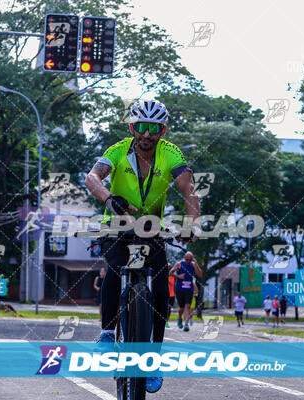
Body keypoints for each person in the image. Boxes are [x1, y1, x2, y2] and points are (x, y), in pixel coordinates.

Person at [84, 99, 200, 393]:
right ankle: (108, 335)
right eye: (141, 127)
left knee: (161, 291)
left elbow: (189, 190)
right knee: (115, 268)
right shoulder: (117, 150)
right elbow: (92, 177)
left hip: (152, 229)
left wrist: (191, 224)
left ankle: (153, 359)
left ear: (162, 130)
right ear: (132, 127)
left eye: (154, 129)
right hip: (118, 224)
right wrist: (109, 198)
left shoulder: (170, 153)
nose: (147, 135)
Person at [170, 252, 202, 332]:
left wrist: (196, 264)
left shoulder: (193, 265)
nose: (188, 261)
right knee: (181, 308)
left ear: (192, 259)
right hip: (179, 289)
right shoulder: (179, 264)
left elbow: (200, 275)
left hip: (189, 289)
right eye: (187, 259)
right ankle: (180, 317)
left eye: (190, 259)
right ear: (184, 258)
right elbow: (170, 272)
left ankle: (186, 324)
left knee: (188, 306)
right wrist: (178, 276)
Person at [167, 263, 175, 328]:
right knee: (165, 308)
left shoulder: (174, 277)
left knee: (169, 309)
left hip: (172, 295)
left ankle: (167, 321)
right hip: (165, 295)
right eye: (168, 268)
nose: (169, 269)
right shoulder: (163, 276)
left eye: (170, 268)